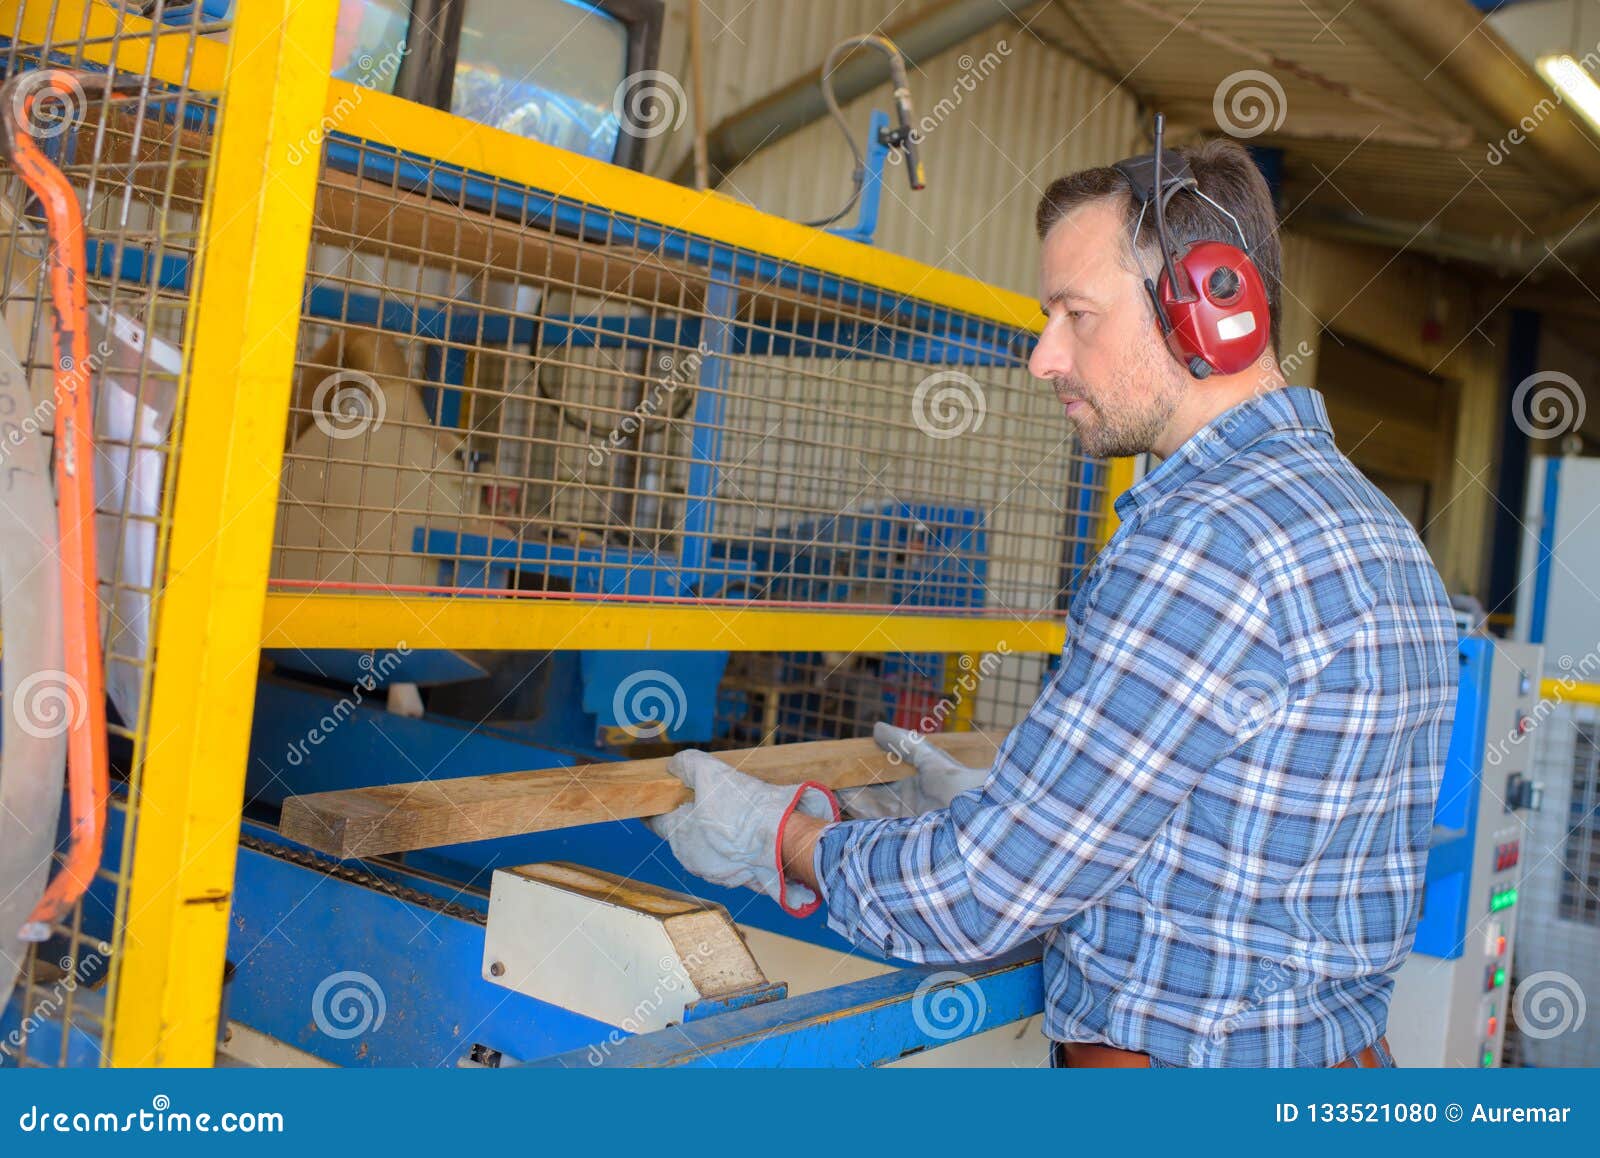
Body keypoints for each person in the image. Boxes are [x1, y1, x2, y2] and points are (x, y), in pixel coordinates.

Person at [647, 131, 1460, 1068]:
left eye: (1077, 314)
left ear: (1211, 309)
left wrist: (784, 840)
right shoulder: (1370, 523)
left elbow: (976, 898)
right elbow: (1238, 833)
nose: (1043, 358)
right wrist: (1027, 807)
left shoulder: (1202, 542)